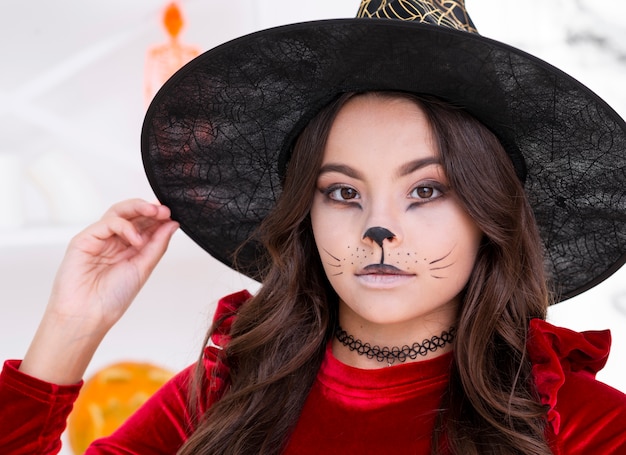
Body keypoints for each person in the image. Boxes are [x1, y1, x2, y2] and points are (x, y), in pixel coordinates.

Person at [2, 1, 626, 454]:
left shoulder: (583, 427)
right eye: (344, 192)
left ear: (489, 216)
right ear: (307, 211)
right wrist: (71, 327)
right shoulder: (219, 398)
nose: (378, 228)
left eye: (427, 190)